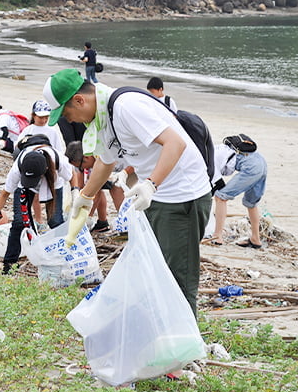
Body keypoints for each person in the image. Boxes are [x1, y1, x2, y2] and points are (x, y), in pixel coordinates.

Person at [43, 68, 211, 316]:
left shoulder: (126, 107)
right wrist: (85, 196)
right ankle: (162, 332)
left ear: (80, 100)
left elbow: (176, 143)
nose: (71, 121)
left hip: (181, 198)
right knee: (155, 271)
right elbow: (106, 161)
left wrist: (151, 183)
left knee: (178, 279)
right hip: (156, 198)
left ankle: (184, 348)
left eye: (68, 114)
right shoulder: (103, 117)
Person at [0, 140, 72, 274]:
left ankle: (65, 258)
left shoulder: (58, 161)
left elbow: (71, 177)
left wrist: (77, 191)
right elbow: (5, 193)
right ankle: (9, 265)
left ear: (44, 171)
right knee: (19, 222)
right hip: (24, 188)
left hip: (53, 184)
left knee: (55, 221)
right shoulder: (18, 168)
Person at [208, 136, 267, 248]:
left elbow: (218, 185)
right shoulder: (215, 150)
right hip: (261, 162)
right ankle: (255, 239)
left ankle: (217, 236)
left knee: (220, 197)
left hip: (250, 167)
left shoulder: (209, 159)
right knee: (251, 203)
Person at [64, 141, 127, 234]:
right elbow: (85, 186)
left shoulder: (103, 154)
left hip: (129, 168)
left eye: (81, 167)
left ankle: (126, 225)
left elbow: (135, 160)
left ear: (87, 157)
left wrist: (85, 217)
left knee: (115, 189)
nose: (82, 169)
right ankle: (102, 223)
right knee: (94, 186)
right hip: (112, 169)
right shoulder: (90, 158)